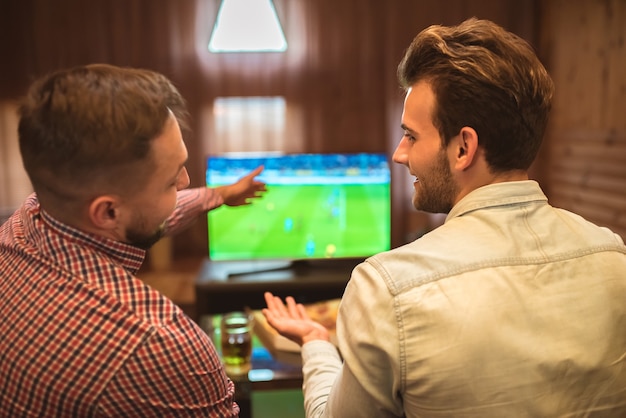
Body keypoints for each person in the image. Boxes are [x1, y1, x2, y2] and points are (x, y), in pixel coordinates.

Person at [263, 17, 626, 417]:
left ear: (462, 148)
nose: (401, 154)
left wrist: (316, 343)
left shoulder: (389, 289)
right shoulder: (614, 260)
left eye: (412, 136)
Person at [0, 63, 267, 417]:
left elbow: (138, 217)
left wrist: (218, 195)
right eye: (171, 181)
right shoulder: (158, 343)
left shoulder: (26, 219)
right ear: (108, 213)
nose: (186, 181)